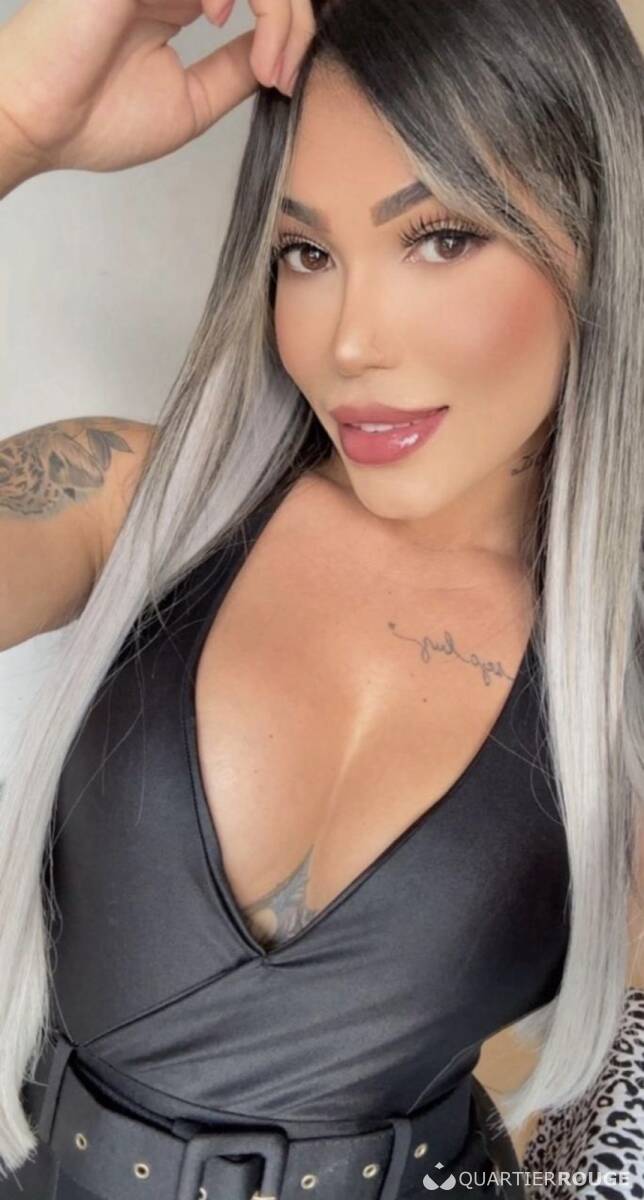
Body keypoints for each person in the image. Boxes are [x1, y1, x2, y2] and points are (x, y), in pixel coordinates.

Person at [0, 0, 642, 1196]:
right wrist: (14, 122)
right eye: (306, 253)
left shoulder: (615, 676)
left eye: (439, 237)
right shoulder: (132, 500)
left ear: (602, 240)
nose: (347, 341)